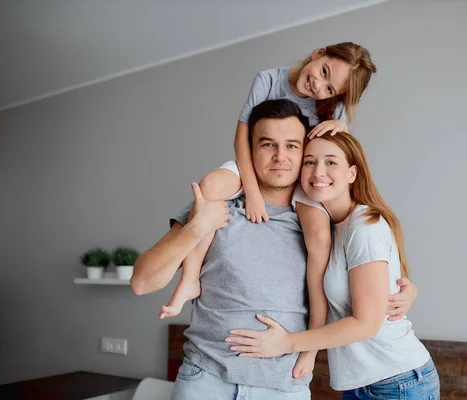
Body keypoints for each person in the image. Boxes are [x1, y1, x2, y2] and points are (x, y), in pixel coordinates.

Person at [131, 100, 419, 399]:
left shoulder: (325, 225)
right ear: (249, 152)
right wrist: (195, 227)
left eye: (292, 146)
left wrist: (406, 291)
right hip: (206, 380)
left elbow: (365, 283)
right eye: (268, 144)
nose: (280, 156)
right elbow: (142, 282)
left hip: (284, 387)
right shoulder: (217, 205)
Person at [160, 41, 377, 379]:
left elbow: (337, 148)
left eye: (330, 87)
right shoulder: (269, 79)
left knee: (320, 241)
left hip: (299, 176)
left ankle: (310, 346)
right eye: (322, 72)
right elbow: (241, 138)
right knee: (212, 186)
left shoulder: (332, 106)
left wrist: (342, 128)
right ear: (318, 52)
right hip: (254, 166)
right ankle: (190, 279)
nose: (318, 87)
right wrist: (252, 192)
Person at [225, 132, 440, 399]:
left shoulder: (365, 227)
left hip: (397, 382)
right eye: (309, 162)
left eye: (331, 162)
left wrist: (288, 343)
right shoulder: (333, 226)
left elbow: (366, 324)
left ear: (352, 173)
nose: (318, 172)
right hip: (362, 384)